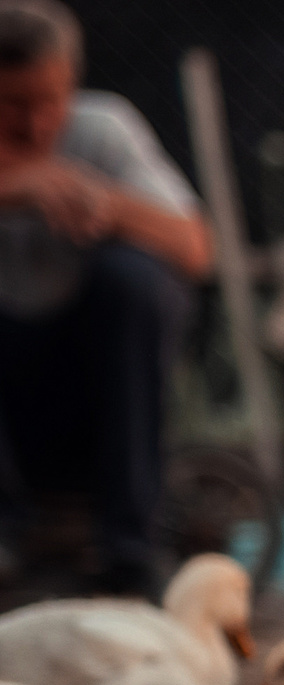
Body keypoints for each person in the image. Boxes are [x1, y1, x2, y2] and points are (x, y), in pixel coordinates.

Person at [0, 0, 210, 592]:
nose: (36, 125)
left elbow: (197, 248)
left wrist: (109, 205)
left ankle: (130, 549)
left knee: (137, 277)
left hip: (89, 376)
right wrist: (16, 185)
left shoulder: (101, 130)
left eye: (51, 101)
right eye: (12, 105)